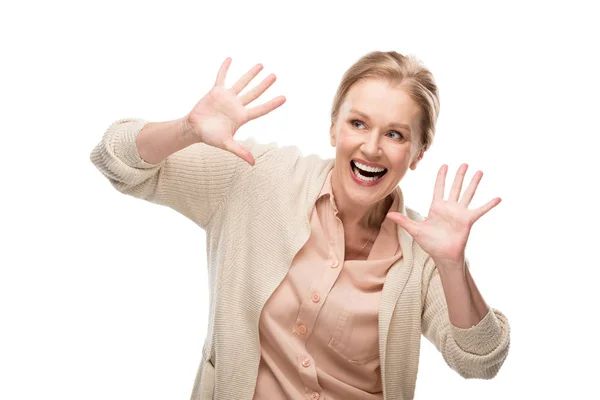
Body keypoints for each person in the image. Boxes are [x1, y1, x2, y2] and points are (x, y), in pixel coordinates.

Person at [90, 51, 510, 400]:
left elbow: (480, 360)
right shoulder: (257, 177)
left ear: (418, 153)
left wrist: (454, 266)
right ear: (333, 128)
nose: (371, 147)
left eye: (396, 134)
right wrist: (187, 130)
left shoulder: (423, 254)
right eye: (357, 123)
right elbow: (115, 160)